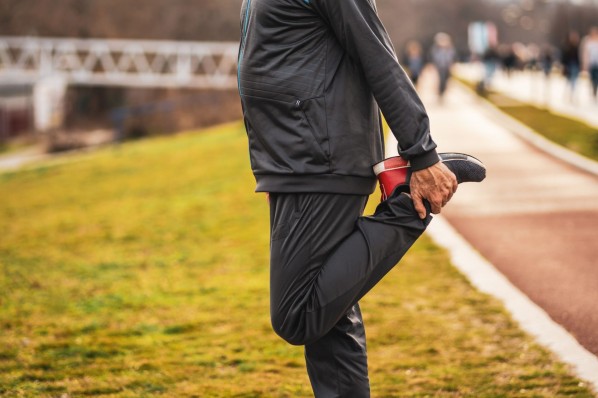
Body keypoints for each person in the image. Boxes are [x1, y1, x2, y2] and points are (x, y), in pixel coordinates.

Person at [237, 1, 485, 396]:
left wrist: (421, 154)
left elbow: (378, 56)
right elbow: (275, 59)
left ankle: (406, 203)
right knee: (330, 317)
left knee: (297, 315)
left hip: (318, 157)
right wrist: (273, 165)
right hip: (294, 160)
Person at [429, 32, 456, 101]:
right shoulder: (435, 49)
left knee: (446, 80)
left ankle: (443, 91)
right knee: (441, 79)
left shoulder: (450, 48)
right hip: (440, 66)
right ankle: (440, 91)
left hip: (447, 66)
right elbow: (433, 57)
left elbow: (452, 57)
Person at [561, 31, 581, 103]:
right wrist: (564, 66)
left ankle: (572, 95)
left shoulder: (577, 47)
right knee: (569, 81)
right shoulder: (567, 47)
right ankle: (568, 94)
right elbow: (564, 58)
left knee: (574, 81)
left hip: (575, 66)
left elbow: (579, 58)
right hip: (569, 66)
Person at [582, 26, 598, 101]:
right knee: (592, 78)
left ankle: (595, 91)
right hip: (591, 63)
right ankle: (592, 91)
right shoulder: (587, 41)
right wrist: (585, 64)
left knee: (597, 78)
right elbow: (585, 53)